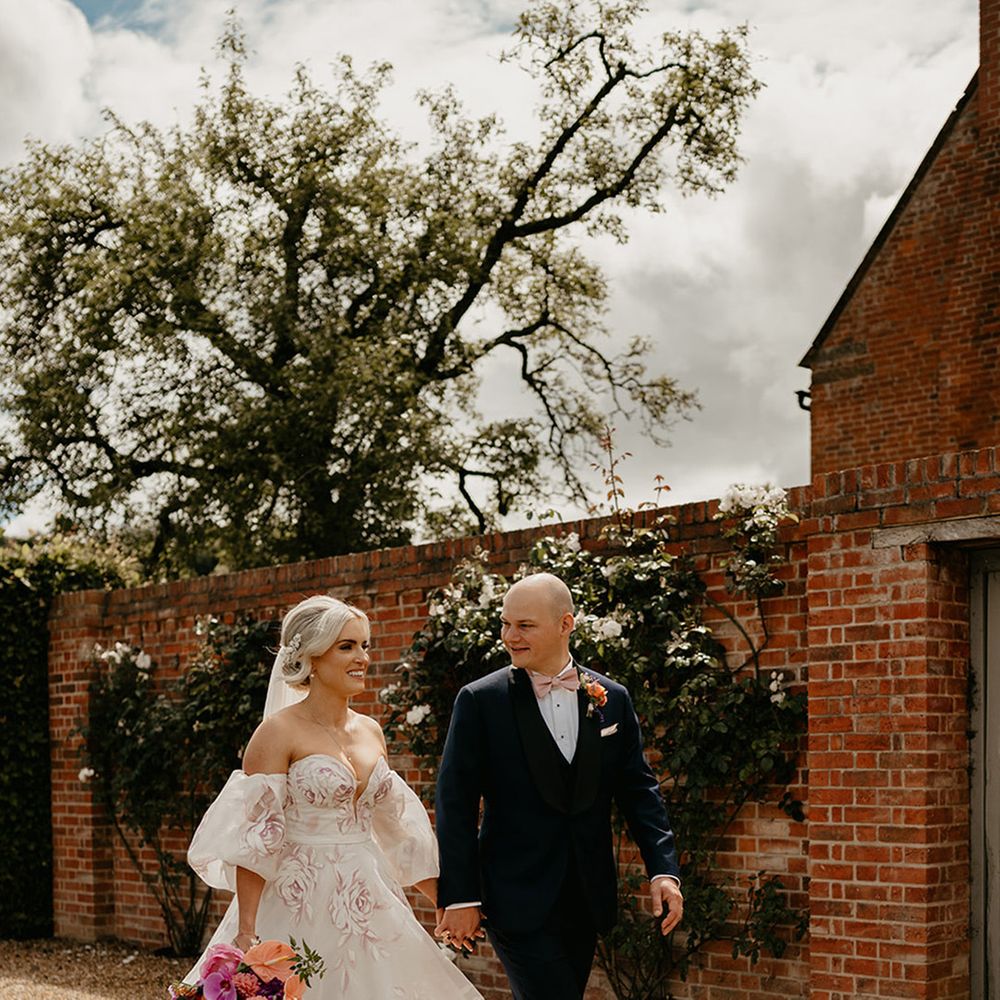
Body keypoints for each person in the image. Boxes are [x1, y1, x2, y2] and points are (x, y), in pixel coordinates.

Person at [185, 595, 483, 999]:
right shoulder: (277, 732)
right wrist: (247, 929)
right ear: (311, 656)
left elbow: (395, 829)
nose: (362, 657)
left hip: (369, 898)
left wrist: (445, 901)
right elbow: (258, 838)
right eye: (347, 646)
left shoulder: (370, 731)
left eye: (364, 645)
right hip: (298, 900)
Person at [434, 572, 683, 1000]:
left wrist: (663, 870)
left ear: (566, 624)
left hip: (587, 897)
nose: (510, 636)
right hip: (514, 897)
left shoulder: (612, 697)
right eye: (505, 624)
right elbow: (455, 802)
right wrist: (460, 897)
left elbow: (639, 792)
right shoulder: (480, 701)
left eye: (524, 625)